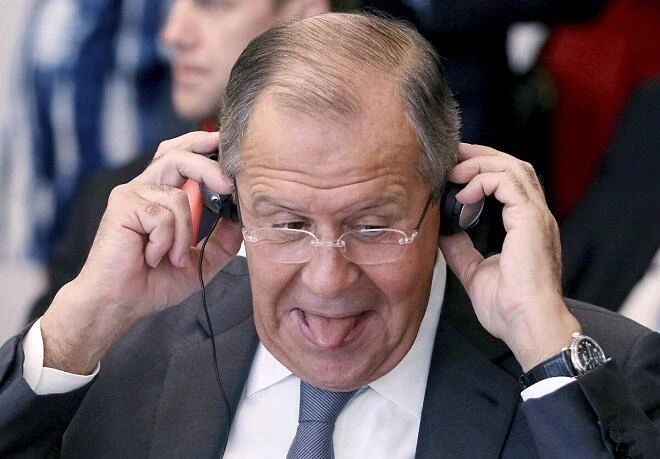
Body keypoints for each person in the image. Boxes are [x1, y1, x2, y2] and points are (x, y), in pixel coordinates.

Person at [1, 13, 659, 458]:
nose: (328, 280)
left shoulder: (605, 375)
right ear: (230, 203)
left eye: (372, 225)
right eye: (288, 224)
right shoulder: (122, 353)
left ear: (450, 204)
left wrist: (545, 345)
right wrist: (82, 322)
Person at [26, 0, 338, 322]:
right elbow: (38, 354)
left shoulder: (350, 203)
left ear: (306, 16)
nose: (172, 34)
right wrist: (92, 316)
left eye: (213, 6)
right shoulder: (111, 200)